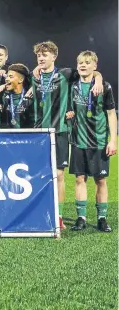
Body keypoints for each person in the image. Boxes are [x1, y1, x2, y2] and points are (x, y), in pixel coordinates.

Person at [30, 40, 104, 229]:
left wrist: (100, 79)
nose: (41, 58)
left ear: (54, 57)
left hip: (60, 131)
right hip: (39, 133)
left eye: (45, 55)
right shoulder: (35, 76)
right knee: (39, 174)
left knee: (59, 175)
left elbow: (90, 71)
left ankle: (59, 216)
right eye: (39, 55)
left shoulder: (66, 74)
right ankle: (39, 212)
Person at [67, 51, 117, 232]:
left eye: (88, 62)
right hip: (79, 141)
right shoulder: (73, 86)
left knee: (100, 180)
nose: (83, 65)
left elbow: (111, 114)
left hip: (99, 141)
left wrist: (113, 140)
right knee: (80, 179)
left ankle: (102, 219)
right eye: (80, 62)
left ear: (95, 66)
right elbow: (69, 111)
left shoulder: (105, 86)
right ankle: (81, 217)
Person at [0, 63, 33, 128]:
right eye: (7, 76)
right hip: (9, 136)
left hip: (27, 136)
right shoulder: (4, 96)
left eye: (10, 76)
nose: (6, 79)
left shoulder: (30, 96)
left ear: (21, 79)